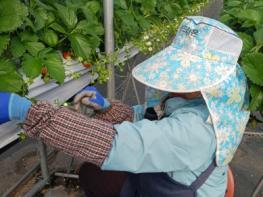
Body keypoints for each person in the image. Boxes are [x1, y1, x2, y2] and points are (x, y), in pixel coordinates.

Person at [0, 16, 250, 197]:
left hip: (184, 190)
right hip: (175, 177)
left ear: (211, 81)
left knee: (95, 173)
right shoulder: (206, 102)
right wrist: (108, 109)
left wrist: (27, 112)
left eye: (184, 75)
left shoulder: (195, 132)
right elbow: (152, 119)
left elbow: (115, 144)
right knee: (92, 173)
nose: (173, 81)